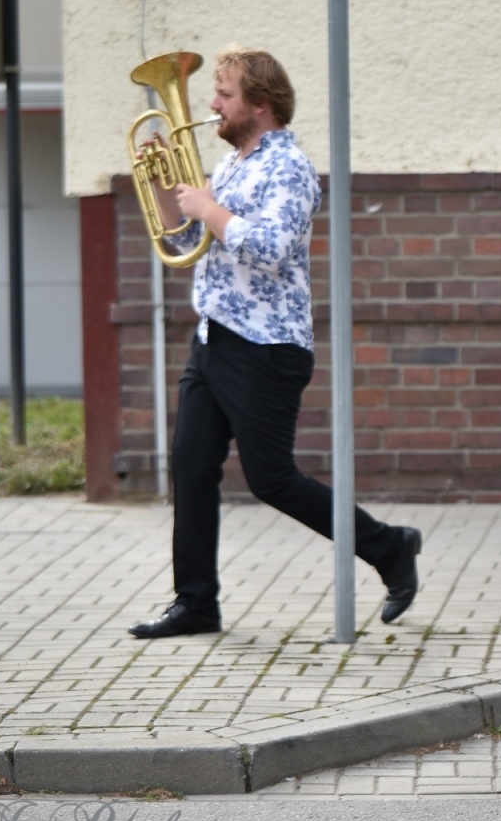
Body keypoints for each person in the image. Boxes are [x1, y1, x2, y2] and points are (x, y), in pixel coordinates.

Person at [128, 47, 421, 639]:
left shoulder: (289, 167)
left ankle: (389, 547)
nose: (213, 105)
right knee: (190, 465)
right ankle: (196, 603)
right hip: (214, 336)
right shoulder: (231, 165)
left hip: (265, 345)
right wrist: (165, 188)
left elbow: (271, 249)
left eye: (225, 95)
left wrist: (209, 207)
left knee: (272, 479)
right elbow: (187, 238)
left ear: (260, 104)